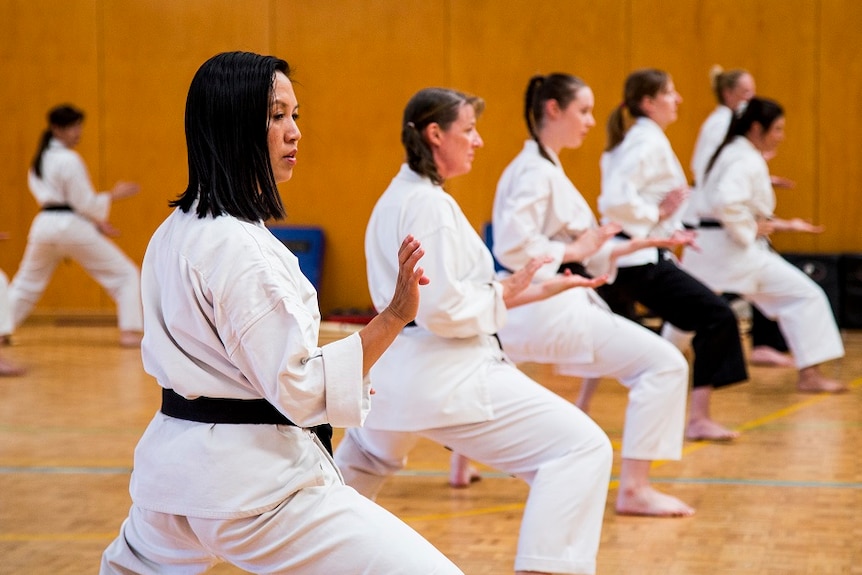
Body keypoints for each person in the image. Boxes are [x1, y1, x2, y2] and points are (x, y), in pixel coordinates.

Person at [101, 51, 463, 575]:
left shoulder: (175, 230)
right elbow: (295, 389)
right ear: (232, 124)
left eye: (296, 115)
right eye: (276, 116)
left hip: (173, 475)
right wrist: (394, 317)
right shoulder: (241, 250)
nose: (294, 132)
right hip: (255, 489)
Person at [334, 87, 613, 575]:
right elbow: (441, 308)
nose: (478, 142)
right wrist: (501, 295)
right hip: (447, 373)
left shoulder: (401, 197)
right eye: (469, 130)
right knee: (581, 448)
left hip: (398, 375)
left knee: (360, 466)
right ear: (435, 134)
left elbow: (447, 296)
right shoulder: (428, 206)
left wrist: (526, 289)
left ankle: (300, 557)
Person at [451, 73, 694, 517]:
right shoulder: (534, 171)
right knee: (665, 364)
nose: (589, 121)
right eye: (582, 111)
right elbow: (511, 244)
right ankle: (635, 489)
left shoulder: (542, 167)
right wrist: (574, 249)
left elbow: (576, 250)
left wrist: (640, 243)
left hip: (527, 310)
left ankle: (458, 464)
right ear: (553, 110)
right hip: (544, 308)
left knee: (493, 372)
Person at [597, 68, 749, 442]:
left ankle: (585, 409)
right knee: (717, 317)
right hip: (636, 263)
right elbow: (616, 201)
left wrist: (667, 230)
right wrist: (657, 216)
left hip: (639, 257)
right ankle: (698, 417)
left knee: (605, 345)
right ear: (648, 102)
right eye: (670, 92)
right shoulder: (644, 142)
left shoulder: (641, 139)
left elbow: (639, 200)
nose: (678, 99)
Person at [680, 96, 846, 393]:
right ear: (757, 128)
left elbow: (725, 202)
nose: (781, 136)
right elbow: (726, 201)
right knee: (804, 296)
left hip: (708, 247)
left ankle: (658, 362)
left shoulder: (729, 151)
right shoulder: (745, 157)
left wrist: (777, 225)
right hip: (733, 251)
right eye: (778, 129)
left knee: (682, 314)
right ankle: (810, 375)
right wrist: (750, 230)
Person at [7, 104, 143, 347]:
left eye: (79, 125)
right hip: (70, 226)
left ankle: (1, 329)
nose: (77, 131)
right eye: (72, 126)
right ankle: (130, 332)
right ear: (56, 129)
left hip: (44, 226)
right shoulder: (68, 159)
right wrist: (113, 195)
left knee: (26, 284)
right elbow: (84, 202)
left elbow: (72, 203)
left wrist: (97, 223)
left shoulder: (39, 160)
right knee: (125, 275)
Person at [689, 66, 794, 368]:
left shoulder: (731, 126)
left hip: (725, 218)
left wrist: (760, 177)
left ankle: (763, 342)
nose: (750, 99)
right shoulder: (722, 123)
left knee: (723, 285)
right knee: (707, 290)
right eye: (745, 93)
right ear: (728, 93)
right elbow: (710, 170)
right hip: (716, 220)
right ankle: (759, 344)